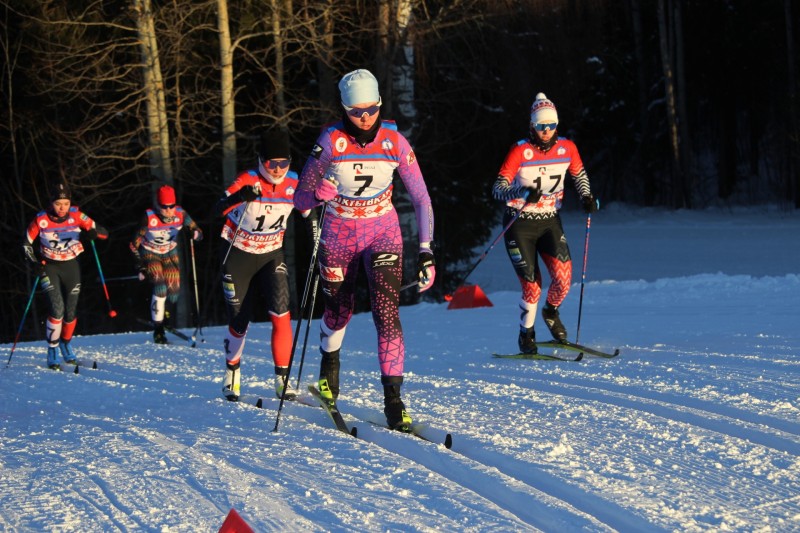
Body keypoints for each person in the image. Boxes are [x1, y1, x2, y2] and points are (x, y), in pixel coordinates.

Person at [294, 68, 435, 432]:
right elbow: (300, 199)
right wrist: (317, 195)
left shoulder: (394, 142)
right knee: (339, 311)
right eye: (356, 112)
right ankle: (328, 373)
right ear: (344, 109)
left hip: (382, 232)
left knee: (386, 314)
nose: (365, 118)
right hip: (338, 234)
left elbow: (421, 198)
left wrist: (426, 250)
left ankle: (394, 401)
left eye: (371, 109)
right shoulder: (329, 142)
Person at [214, 129, 318, 402]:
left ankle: (282, 378)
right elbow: (217, 208)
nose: (278, 169)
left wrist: (317, 241)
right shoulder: (248, 179)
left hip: (271, 253)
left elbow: (309, 213)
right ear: (261, 160)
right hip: (238, 252)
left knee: (282, 311)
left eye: (284, 163)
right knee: (240, 319)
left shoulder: (294, 183)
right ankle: (232, 371)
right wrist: (241, 197)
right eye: (272, 163)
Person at [492, 92, 598, 354]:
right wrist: (521, 193)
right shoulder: (520, 150)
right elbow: (498, 188)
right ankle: (525, 334)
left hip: (550, 221)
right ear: (532, 125)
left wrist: (587, 197)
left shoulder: (567, 148)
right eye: (541, 126)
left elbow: (580, 175)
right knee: (532, 286)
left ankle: (551, 312)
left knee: (563, 280)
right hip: (519, 223)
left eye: (551, 125)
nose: (546, 131)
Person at [22, 182, 109, 369]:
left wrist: (92, 234)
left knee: (70, 311)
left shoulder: (77, 215)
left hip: (71, 266)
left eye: (66, 203)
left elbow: (103, 233)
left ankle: (65, 344)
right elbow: (26, 244)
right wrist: (34, 263)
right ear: (51, 203)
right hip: (49, 267)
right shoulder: (41, 219)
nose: (62, 208)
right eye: (58, 203)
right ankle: (52, 349)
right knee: (57, 308)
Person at [129, 184, 203, 344]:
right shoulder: (149, 217)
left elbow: (199, 233)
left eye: (171, 206)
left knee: (174, 291)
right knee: (160, 288)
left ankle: (164, 315)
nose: (169, 211)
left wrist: (194, 233)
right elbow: (133, 244)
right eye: (164, 207)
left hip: (170, 252)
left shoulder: (181, 214)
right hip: (150, 252)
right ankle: (158, 329)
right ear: (158, 205)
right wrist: (140, 266)